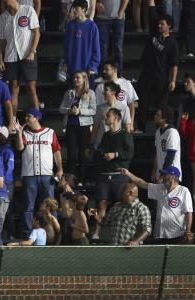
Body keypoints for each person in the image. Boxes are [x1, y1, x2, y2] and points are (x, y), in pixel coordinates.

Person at [15, 107, 63, 238]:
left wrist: (60, 168)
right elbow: (19, 148)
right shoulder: (25, 133)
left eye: (28, 116)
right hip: (29, 175)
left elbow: (57, 151)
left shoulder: (50, 132)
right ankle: (27, 235)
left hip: (47, 175)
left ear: (37, 118)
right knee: (28, 207)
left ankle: (53, 234)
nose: (26, 118)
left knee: (50, 207)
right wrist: (19, 133)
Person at [122, 165, 193, 244]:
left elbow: (188, 212)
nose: (162, 177)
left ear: (172, 176)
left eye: (165, 174)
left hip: (177, 234)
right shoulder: (160, 188)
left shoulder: (183, 191)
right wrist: (128, 173)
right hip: (159, 234)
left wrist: (188, 231)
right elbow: (141, 183)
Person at [93, 108, 134, 236]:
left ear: (116, 118)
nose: (106, 117)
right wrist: (101, 153)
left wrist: (115, 155)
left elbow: (130, 153)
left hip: (119, 176)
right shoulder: (105, 135)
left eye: (108, 115)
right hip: (105, 175)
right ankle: (96, 233)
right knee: (101, 204)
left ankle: (125, 232)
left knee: (122, 204)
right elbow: (102, 150)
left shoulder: (125, 134)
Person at [136, 9, 178, 132]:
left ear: (169, 26)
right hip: (146, 76)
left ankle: (160, 131)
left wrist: (173, 81)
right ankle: (141, 128)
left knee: (161, 107)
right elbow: (152, 11)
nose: (159, 25)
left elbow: (174, 64)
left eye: (162, 24)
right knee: (143, 104)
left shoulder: (172, 43)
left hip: (161, 79)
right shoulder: (153, 33)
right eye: (159, 24)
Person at [0, 0, 40, 111]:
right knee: (13, 89)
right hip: (10, 57)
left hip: (27, 55)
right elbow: (1, 41)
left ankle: (36, 120)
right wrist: (1, 59)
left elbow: (36, 32)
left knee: (31, 88)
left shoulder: (28, 10)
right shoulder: (3, 17)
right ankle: (13, 122)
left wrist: (32, 51)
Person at [59, 71, 96, 182]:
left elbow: (94, 110)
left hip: (84, 126)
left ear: (84, 79)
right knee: (71, 153)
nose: (75, 79)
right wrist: (70, 110)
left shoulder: (90, 93)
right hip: (71, 126)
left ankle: (82, 179)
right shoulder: (69, 93)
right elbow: (61, 109)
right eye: (74, 77)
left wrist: (80, 111)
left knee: (82, 154)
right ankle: (71, 180)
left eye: (78, 77)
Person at [63, 0, 100, 87]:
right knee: (72, 98)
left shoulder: (92, 26)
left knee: (87, 98)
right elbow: (66, 47)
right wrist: (65, 62)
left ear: (84, 9)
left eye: (76, 8)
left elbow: (96, 49)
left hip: (87, 71)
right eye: (73, 8)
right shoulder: (70, 25)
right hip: (72, 69)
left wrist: (93, 66)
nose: (74, 10)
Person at [95, 59, 138, 131]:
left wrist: (131, 123)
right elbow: (98, 108)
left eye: (107, 69)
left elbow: (131, 105)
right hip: (105, 127)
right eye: (103, 69)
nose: (104, 71)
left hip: (122, 125)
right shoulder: (100, 87)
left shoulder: (126, 84)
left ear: (114, 70)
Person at [91, 81, 132, 147]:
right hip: (100, 144)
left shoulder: (124, 108)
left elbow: (127, 128)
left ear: (113, 92)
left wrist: (126, 145)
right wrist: (91, 144)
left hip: (115, 144)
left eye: (106, 90)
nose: (103, 92)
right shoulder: (100, 108)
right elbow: (95, 127)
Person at [94, 0, 128, 73]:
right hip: (101, 18)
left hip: (117, 19)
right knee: (103, 49)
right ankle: (102, 75)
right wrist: (96, 4)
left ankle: (118, 75)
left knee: (118, 48)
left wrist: (121, 13)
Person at [152, 105, 181, 181]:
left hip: (171, 174)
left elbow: (170, 155)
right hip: (161, 173)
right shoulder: (158, 131)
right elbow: (157, 153)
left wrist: (163, 174)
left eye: (158, 115)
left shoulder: (172, 132)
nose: (155, 116)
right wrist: (154, 171)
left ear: (164, 118)